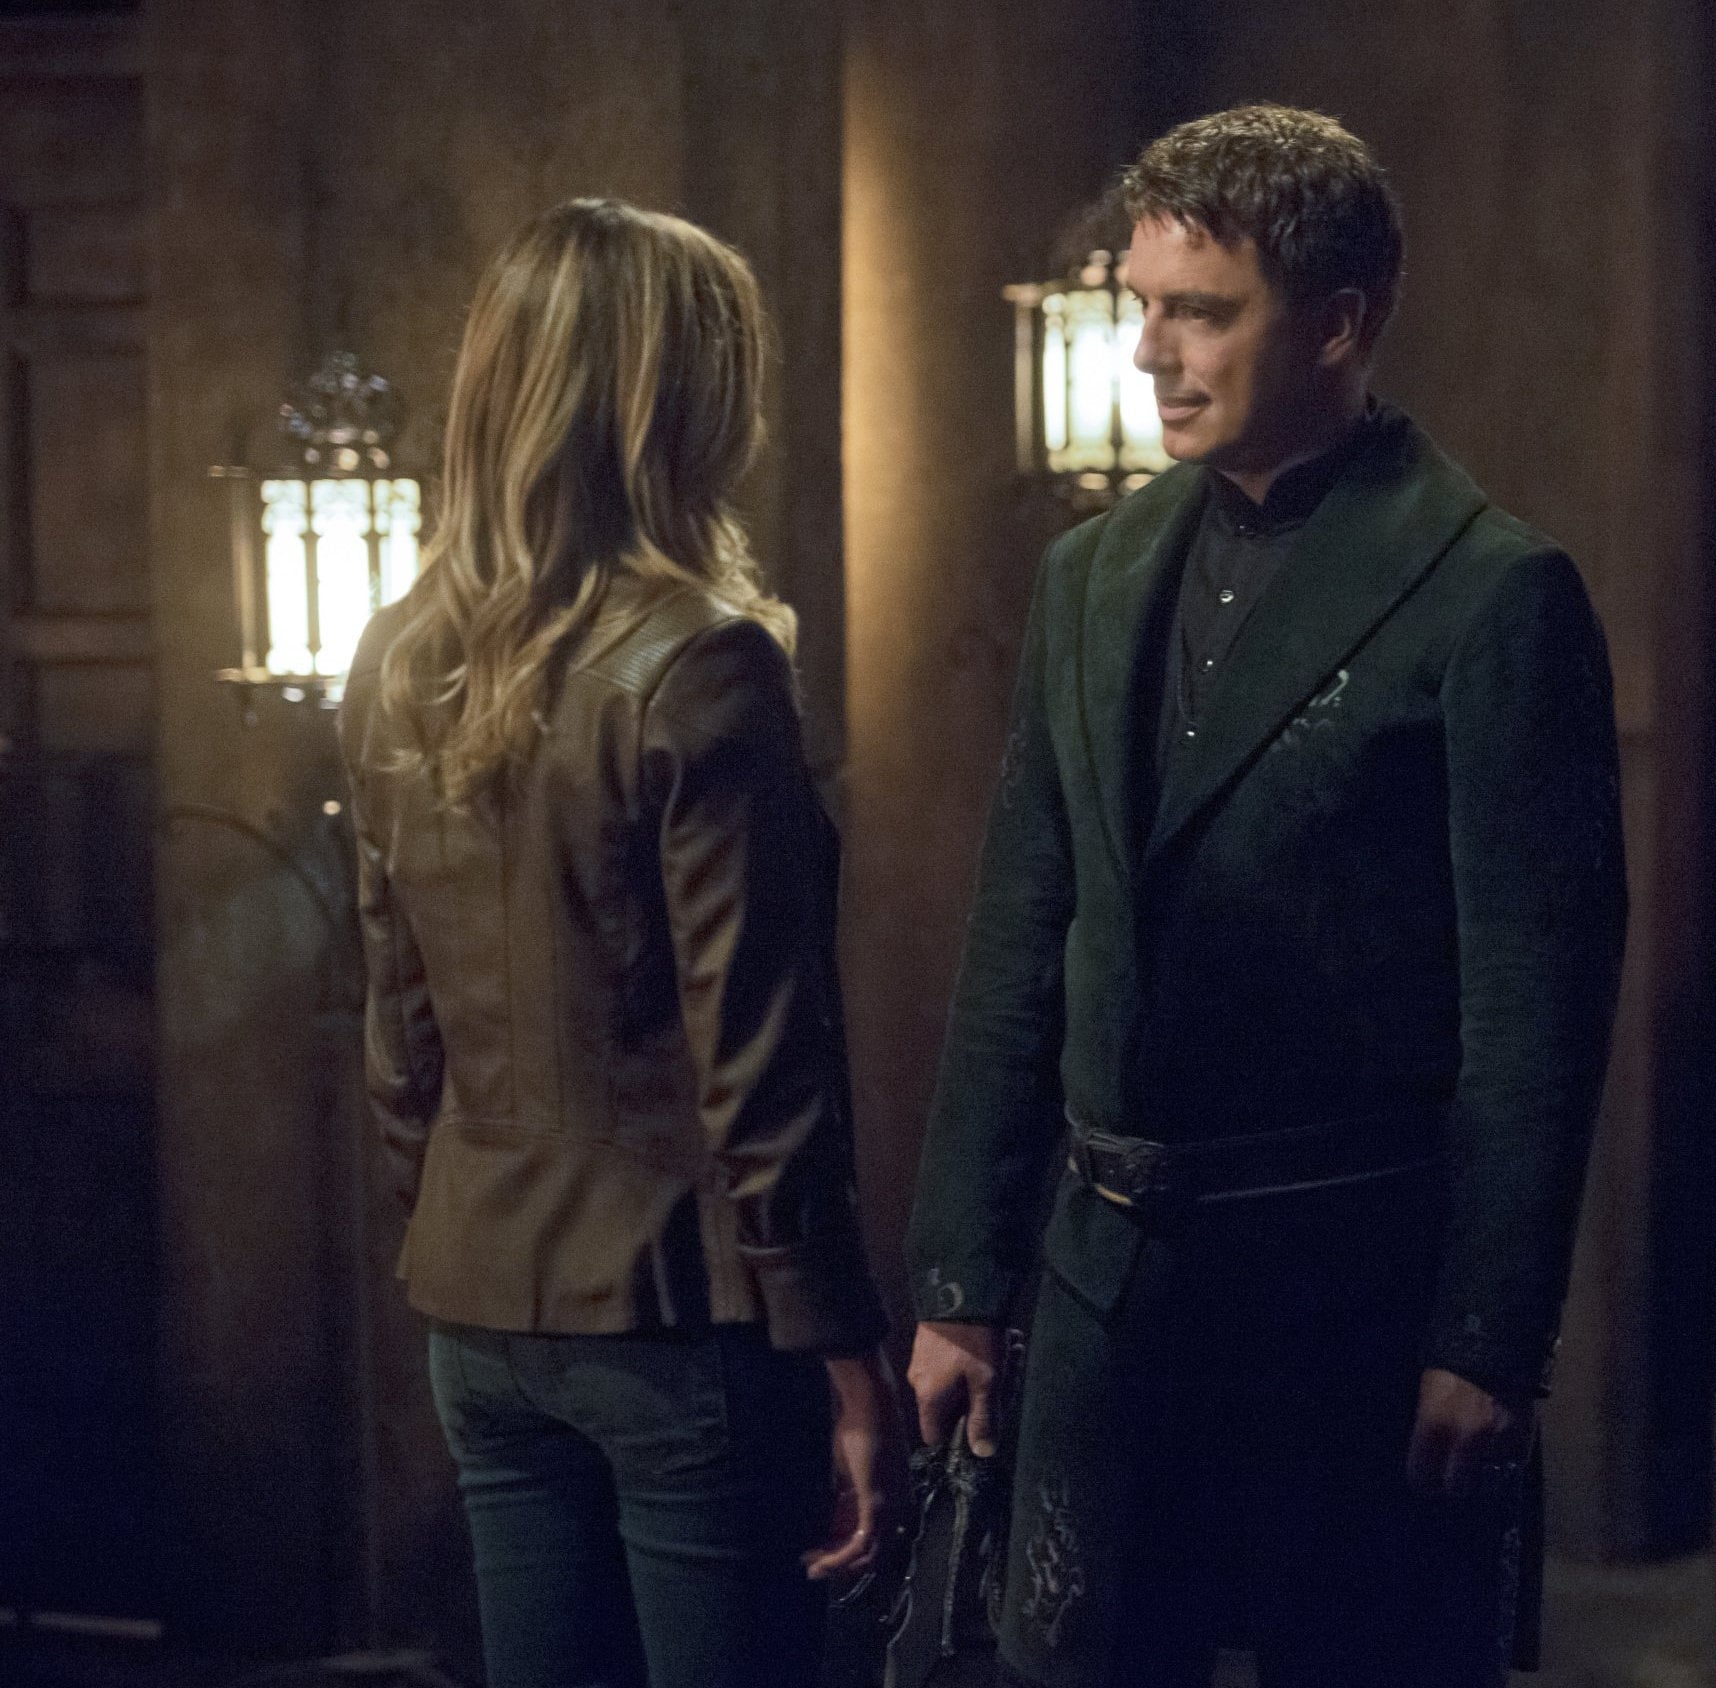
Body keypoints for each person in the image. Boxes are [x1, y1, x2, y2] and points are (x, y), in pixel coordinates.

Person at [901, 104, 1627, 1688]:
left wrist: (1489, 1341)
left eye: (1201, 313)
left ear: (1339, 323)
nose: (1149, 353)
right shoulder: (1089, 577)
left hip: (1349, 1302)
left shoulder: (1494, 593)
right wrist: (961, 1283)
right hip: (1105, 1291)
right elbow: (1020, 936)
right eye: (1143, 307)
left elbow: (1538, 1012)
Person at [340, 198, 901, 1688]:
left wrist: (457, 1227)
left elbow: (399, 1026)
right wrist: (843, 1348)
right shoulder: (707, 663)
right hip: (678, 1313)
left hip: (481, 1311)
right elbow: (761, 1061)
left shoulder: (397, 653)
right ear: (682, 400)